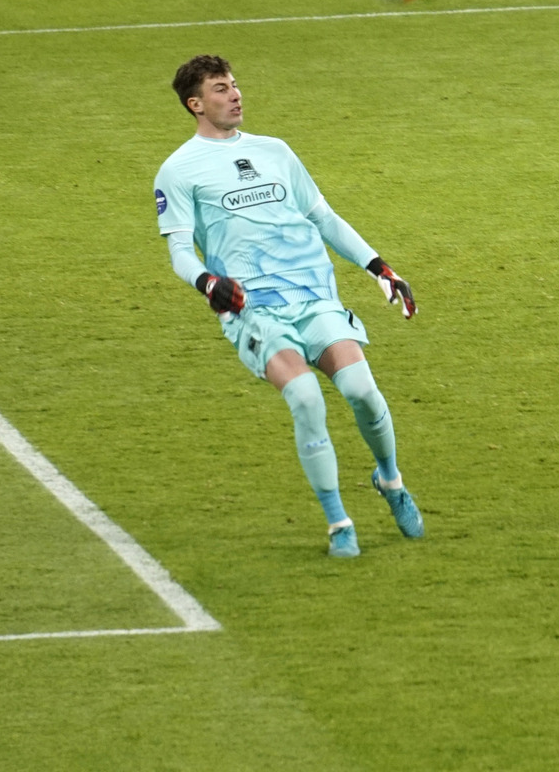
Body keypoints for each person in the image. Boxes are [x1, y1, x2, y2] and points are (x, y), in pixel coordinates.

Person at [154, 54, 422, 559]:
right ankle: (339, 521)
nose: (234, 95)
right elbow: (179, 252)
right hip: (254, 308)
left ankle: (390, 481)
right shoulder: (178, 170)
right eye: (219, 89)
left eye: (234, 85)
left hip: (313, 295)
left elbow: (323, 217)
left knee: (363, 391)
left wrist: (380, 267)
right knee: (305, 399)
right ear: (195, 104)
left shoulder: (275, 151)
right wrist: (207, 282)